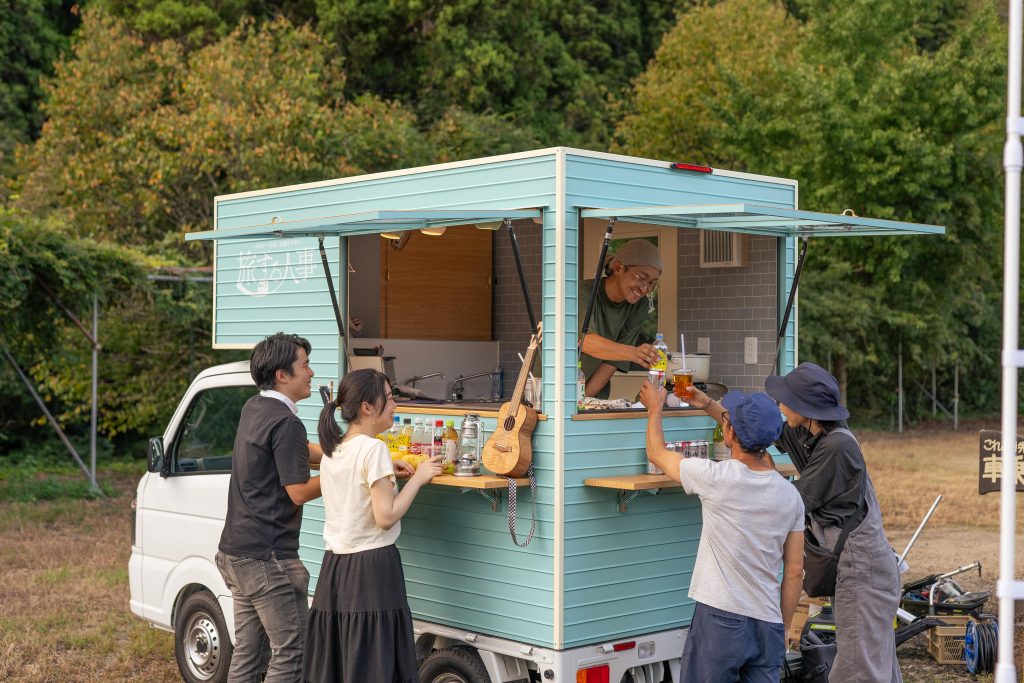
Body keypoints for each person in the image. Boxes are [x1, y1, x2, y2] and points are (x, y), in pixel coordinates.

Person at [639, 381, 804, 682]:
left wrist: (654, 409)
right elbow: (794, 571)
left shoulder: (716, 478)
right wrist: (783, 627)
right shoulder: (790, 495)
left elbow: (657, 453)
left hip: (721, 620)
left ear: (730, 434)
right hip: (767, 622)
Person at [762, 362, 902, 682]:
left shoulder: (836, 447)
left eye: (787, 399)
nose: (780, 405)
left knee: (857, 671)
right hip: (863, 568)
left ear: (807, 408)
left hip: (862, 571)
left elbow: (792, 503)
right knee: (874, 665)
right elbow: (757, 428)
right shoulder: (814, 433)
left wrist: (764, 475)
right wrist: (710, 404)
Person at [304, 369, 442, 682]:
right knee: (375, 663)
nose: (395, 405)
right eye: (389, 398)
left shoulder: (334, 449)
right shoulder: (374, 448)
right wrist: (419, 478)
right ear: (368, 407)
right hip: (371, 569)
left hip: (334, 569)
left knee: (343, 662)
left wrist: (387, 468)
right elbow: (386, 517)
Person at [215, 332, 324, 682]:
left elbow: (298, 451)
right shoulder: (286, 422)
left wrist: (349, 451)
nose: (311, 373)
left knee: (248, 655)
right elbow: (298, 492)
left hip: (236, 553)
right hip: (268, 559)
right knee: (293, 653)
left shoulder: (256, 407)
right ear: (282, 375)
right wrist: (346, 472)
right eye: (305, 366)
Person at [578, 238, 663, 398]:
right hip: (550, 389)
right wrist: (634, 353)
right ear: (618, 268)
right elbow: (585, 341)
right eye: (642, 278)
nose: (645, 288)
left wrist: (583, 400)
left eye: (652, 283)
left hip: (591, 394)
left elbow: (613, 362)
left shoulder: (639, 305)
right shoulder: (583, 292)